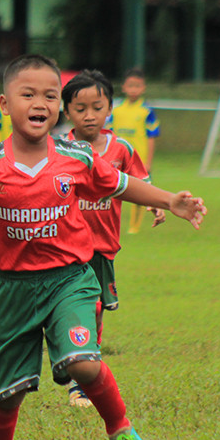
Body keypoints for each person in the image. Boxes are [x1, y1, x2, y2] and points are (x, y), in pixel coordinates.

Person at [0, 53, 206, 440]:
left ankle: (120, 430)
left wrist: (169, 201)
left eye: (50, 95)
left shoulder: (76, 156)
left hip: (69, 279)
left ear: (58, 107)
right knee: (6, 394)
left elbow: (119, 183)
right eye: (27, 94)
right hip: (9, 289)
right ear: (4, 104)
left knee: (83, 363)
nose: (40, 103)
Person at [61, 69, 165, 408]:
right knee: (76, 308)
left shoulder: (120, 148)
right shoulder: (61, 149)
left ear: (109, 109)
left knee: (96, 312)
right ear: (67, 112)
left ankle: (77, 371)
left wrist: (155, 205)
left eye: (97, 106)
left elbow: (139, 180)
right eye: (80, 108)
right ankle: (77, 376)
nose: (89, 115)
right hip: (64, 247)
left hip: (103, 247)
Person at [109, 68, 160, 234]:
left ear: (143, 88)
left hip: (138, 159)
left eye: (137, 86)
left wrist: (148, 162)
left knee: (140, 193)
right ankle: (110, 223)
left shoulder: (146, 111)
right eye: (130, 85)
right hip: (116, 158)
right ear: (123, 87)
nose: (133, 89)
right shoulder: (115, 110)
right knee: (111, 191)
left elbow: (151, 136)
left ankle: (134, 227)